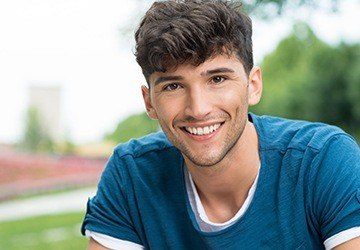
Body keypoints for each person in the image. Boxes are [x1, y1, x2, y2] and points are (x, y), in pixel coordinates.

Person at [81, 0, 360, 249]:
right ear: (149, 102)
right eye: (174, 86)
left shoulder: (323, 161)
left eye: (217, 79)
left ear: (253, 85)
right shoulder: (132, 175)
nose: (199, 109)